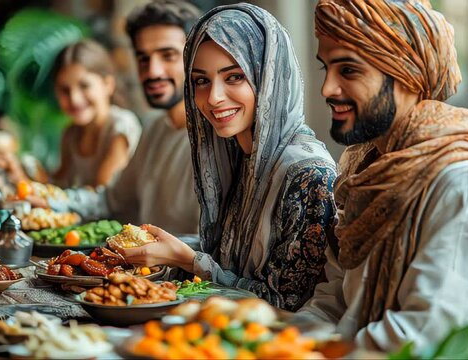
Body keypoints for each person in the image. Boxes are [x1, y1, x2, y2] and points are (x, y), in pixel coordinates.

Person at [295, 0, 468, 352]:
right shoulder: (366, 168)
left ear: (405, 73)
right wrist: (280, 341)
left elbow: (421, 340)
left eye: (348, 71)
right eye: (326, 69)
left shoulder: (465, 186)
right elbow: (335, 300)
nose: (327, 89)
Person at [120, 3, 337, 311]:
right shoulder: (236, 155)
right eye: (201, 80)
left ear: (268, 78)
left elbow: (285, 305)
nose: (213, 98)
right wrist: (170, 250)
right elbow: (228, 261)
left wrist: (188, 259)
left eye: (234, 77)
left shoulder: (307, 175)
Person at [52, 0, 202, 235]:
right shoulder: (153, 129)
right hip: (139, 269)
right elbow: (111, 200)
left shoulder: (218, 138)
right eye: (143, 58)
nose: (153, 71)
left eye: (168, 55)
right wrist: (50, 202)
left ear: (196, 59)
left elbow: (215, 245)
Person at [51, 39, 141, 188]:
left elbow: (100, 194)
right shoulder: (71, 134)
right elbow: (57, 187)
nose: (74, 99)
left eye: (84, 86)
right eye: (65, 90)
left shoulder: (121, 126)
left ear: (108, 85)